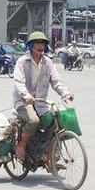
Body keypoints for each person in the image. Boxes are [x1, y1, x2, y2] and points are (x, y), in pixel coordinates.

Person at [13, 31, 74, 167]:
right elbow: (18, 82)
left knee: (56, 122)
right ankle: (22, 145)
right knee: (33, 121)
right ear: (31, 45)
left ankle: (48, 157)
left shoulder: (48, 62)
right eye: (37, 43)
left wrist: (65, 93)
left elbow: (56, 81)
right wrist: (26, 95)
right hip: (23, 102)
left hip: (40, 103)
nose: (40, 46)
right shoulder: (22, 62)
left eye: (42, 44)